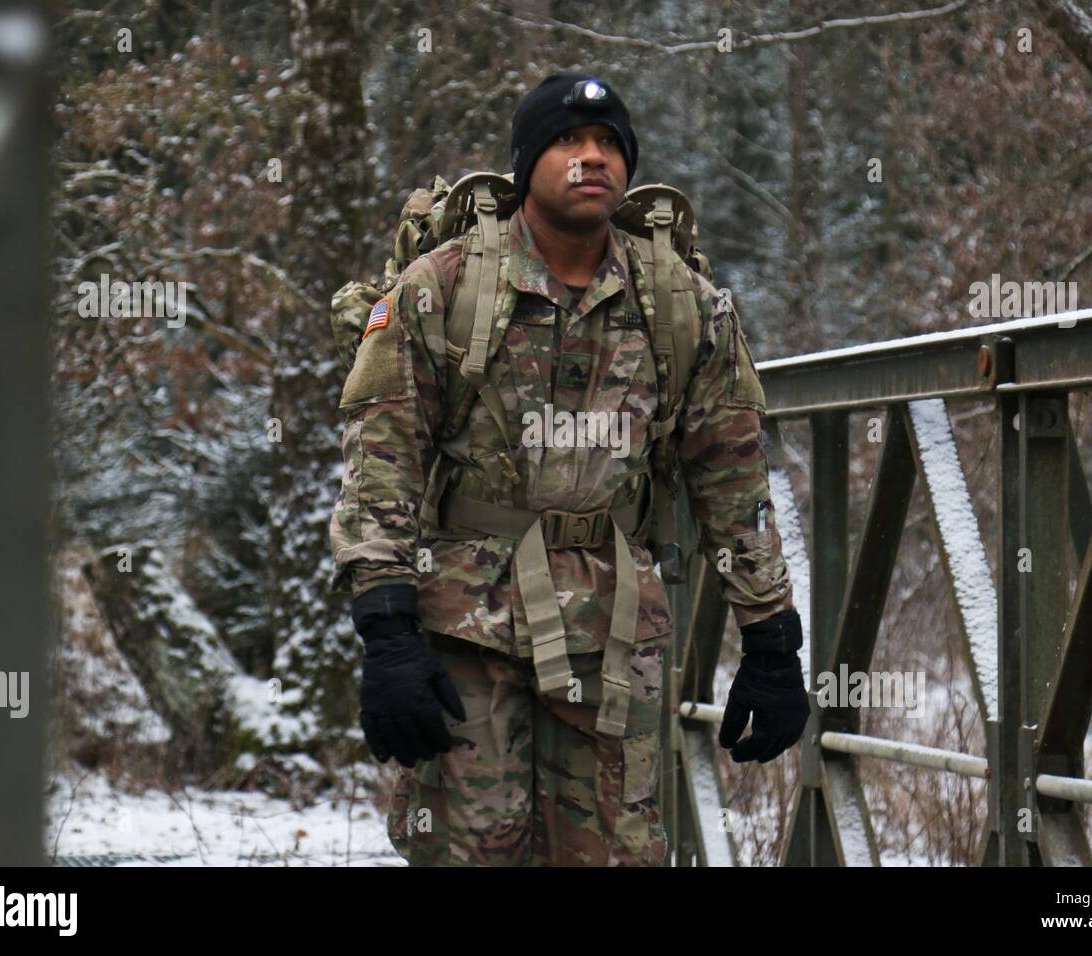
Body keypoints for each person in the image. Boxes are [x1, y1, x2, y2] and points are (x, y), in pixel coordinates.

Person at [329, 71, 809, 866]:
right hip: (465, 631)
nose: (591, 158)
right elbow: (382, 465)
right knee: (468, 854)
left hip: (614, 637)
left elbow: (733, 482)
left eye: (608, 143)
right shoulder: (441, 288)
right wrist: (386, 633)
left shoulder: (681, 302)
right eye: (566, 141)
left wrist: (771, 640)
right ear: (526, 163)